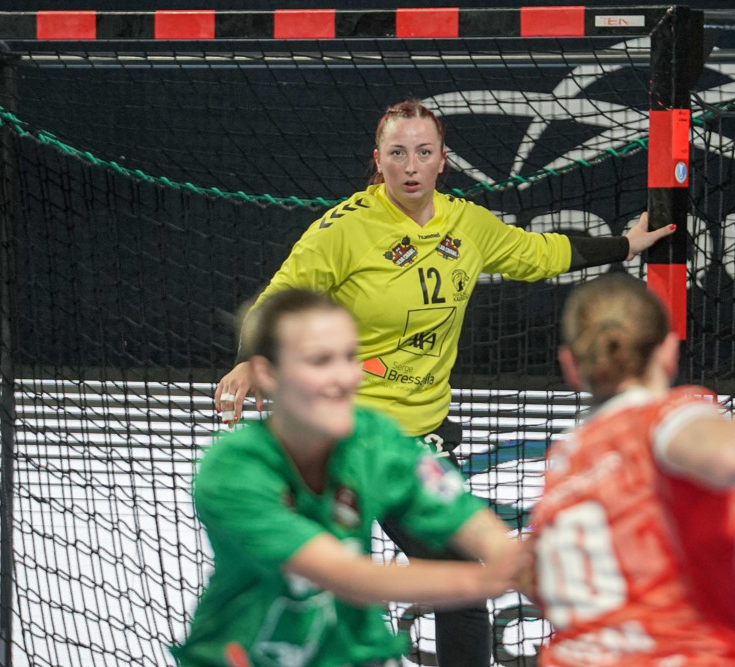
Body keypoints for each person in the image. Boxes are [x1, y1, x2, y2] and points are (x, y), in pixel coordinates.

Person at [214, 99, 676, 665]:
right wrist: (245, 360)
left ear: (442, 161)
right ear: (377, 161)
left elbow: (541, 254)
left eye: (423, 153)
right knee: (321, 588)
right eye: (397, 153)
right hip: (347, 440)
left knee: (459, 585)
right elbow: (276, 302)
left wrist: (625, 246)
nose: (410, 165)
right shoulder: (343, 231)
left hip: (422, 442)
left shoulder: (467, 224)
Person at [526, 272, 735, 666]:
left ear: (570, 365)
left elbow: (673, 617)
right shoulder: (663, 416)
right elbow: (726, 455)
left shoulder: (565, 461)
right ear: (669, 351)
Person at [174, 289, 529, 667]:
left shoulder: (374, 438)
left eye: (350, 357)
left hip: (352, 653)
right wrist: (489, 581)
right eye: (320, 361)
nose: (344, 378)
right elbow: (342, 574)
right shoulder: (234, 468)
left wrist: (515, 556)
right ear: (267, 373)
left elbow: (460, 514)